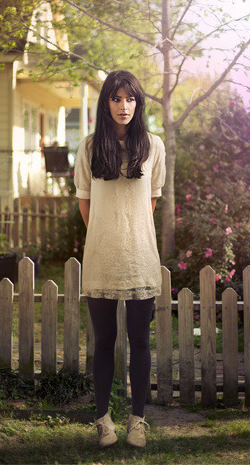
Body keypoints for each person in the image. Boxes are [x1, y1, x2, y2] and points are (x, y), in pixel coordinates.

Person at [74, 70, 165, 448]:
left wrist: (131, 232)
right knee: (103, 341)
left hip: (141, 256)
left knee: (140, 340)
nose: (123, 106)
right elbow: (84, 200)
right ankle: (103, 420)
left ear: (137, 103)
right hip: (101, 256)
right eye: (116, 98)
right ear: (106, 102)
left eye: (130, 99)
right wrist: (105, 235)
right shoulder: (90, 146)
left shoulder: (154, 145)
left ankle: (138, 421)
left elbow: (152, 200)